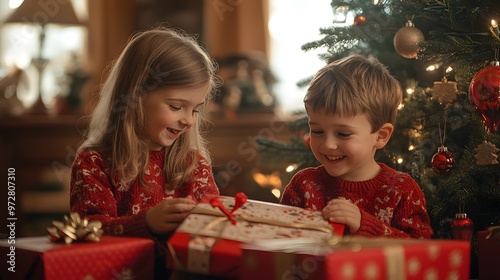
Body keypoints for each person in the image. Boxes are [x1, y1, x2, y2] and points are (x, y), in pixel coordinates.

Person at [69, 27, 220, 278]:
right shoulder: (94, 163)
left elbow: (213, 228)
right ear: (134, 96)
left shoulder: (193, 164)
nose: (189, 121)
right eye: (176, 106)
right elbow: (87, 231)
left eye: (196, 110)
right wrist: (146, 224)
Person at [280, 55, 433, 239]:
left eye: (343, 134)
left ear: (380, 136)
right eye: (317, 131)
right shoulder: (304, 185)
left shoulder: (401, 190)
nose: (328, 144)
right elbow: (281, 240)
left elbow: (421, 252)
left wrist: (366, 226)